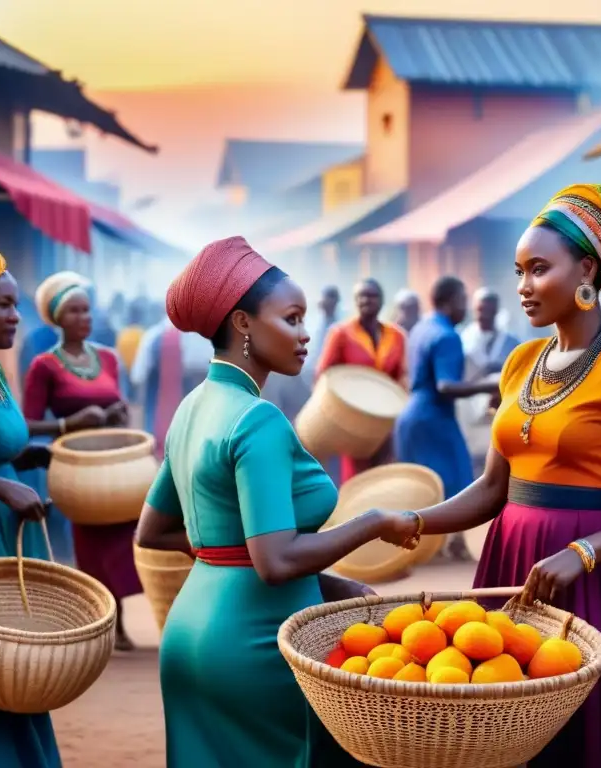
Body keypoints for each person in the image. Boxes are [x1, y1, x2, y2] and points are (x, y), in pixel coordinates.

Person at [383, 185, 601, 766]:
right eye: (519, 271)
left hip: (591, 579)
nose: (523, 286)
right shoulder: (519, 363)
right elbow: (491, 491)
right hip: (510, 566)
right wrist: (412, 521)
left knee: (588, 738)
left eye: (539, 269)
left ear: (587, 269)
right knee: (502, 730)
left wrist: (581, 553)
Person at [135, 236, 420, 768]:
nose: (305, 334)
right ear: (243, 323)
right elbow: (276, 561)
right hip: (257, 644)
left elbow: (154, 532)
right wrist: (375, 521)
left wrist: (313, 580)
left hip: (191, 634)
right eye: (291, 318)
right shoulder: (257, 419)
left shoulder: (193, 407)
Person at [23, 270, 141, 651]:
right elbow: (26, 423)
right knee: (89, 547)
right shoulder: (44, 366)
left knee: (122, 542)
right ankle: (98, 626)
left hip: (113, 467)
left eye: (87, 310)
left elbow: (117, 402)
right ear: (57, 318)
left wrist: (118, 413)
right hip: (77, 472)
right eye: (73, 311)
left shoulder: (106, 358)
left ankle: (119, 622)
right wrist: (67, 422)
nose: (83, 318)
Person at [0, 251, 62, 768]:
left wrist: (23, 458)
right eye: (4, 304)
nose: (17, 315)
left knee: (18, 666)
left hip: (7, 529)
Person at [394, 277, 496, 512]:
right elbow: (446, 386)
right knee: (458, 494)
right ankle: (455, 548)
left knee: (418, 499)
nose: (466, 307)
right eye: (462, 300)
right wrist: (491, 386)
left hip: (410, 420)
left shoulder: (422, 327)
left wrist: (481, 376)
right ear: (449, 303)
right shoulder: (448, 335)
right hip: (434, 421)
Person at [315, 278, 406, 483]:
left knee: (385, 473)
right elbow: (324, 374)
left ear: (382, 301)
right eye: (361, 296)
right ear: (355, 301)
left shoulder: (396, 335)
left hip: (386, 418)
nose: (366, 300)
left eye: (371, 296)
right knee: (357, 476)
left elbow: (402, 375)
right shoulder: (341, 333)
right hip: (354, 418)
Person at [130, 315, 214, 459]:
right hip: (190, 422)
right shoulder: (200, 338)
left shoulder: (151, 337)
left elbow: (137, 375)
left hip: (156, 419)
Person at [459, 287, 520, 475]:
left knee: (495, 462)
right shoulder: (462, 339)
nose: (483, 314)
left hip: (498, 412)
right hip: (469, 411)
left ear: (495, 309)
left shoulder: (511, 342)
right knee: (472, 463)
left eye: (487, 309)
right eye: (479, 309)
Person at [303, 285, 339, 385]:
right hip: (307, 371)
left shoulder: (341, 324)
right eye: (323, 297)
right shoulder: (310, 321)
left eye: (329, 298)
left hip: (330, 373)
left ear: (335, 301)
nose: (324, 301)